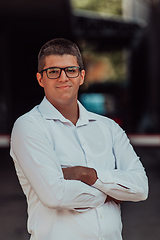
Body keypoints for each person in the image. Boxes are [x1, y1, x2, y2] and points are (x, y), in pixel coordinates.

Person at [10, 38, 148, 240]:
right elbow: (55, 195)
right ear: (41, 79)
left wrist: (87, 175)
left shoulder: (108, 128)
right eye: (53, 71)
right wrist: (111, 192)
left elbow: (141, 188)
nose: (63, 78)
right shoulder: (29, 126)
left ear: (81, 76)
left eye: (71, 70)